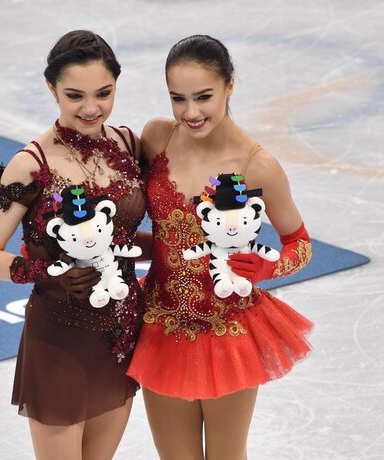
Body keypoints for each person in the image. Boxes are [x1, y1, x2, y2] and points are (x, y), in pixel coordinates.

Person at [126, 34, 314, 460]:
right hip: (162, 322)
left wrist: (268, 268)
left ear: (230, 86)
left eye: (203, 97)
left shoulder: (257, 166)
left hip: (227, 328)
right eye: (178, 98)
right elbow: (162, 232)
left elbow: (299, 244)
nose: (191, 113)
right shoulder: (157, 137)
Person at [0, 30, 145, 460]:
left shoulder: (128, 144)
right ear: (51, 89)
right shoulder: (31, 164)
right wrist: (47, 272)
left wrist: (177, 246)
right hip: (60, 337)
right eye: (74, 95)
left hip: (122, 333)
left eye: (103, 93)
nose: (91, 108)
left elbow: (122, 237)